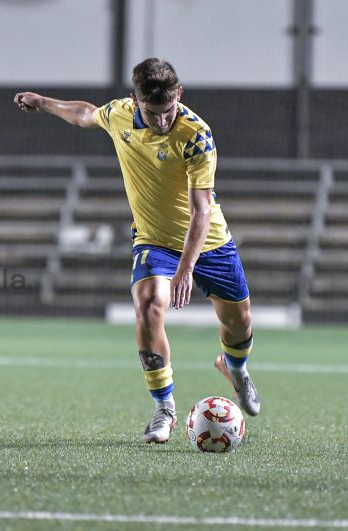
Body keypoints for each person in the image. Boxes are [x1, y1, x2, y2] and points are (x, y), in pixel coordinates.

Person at [14, 58, 260, 444]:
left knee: (239, 324)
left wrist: (185, 269)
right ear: (135, 100)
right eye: (152, 112)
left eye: (168, 111)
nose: (162, 121)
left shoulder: (196, 135)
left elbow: (201, 211)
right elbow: (85, 114)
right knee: (148, 305)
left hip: (209, 242)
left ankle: (236, 367)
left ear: (179, 94)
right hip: (154, 240)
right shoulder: (120, 116)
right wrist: (43, 102)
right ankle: (164, 408)